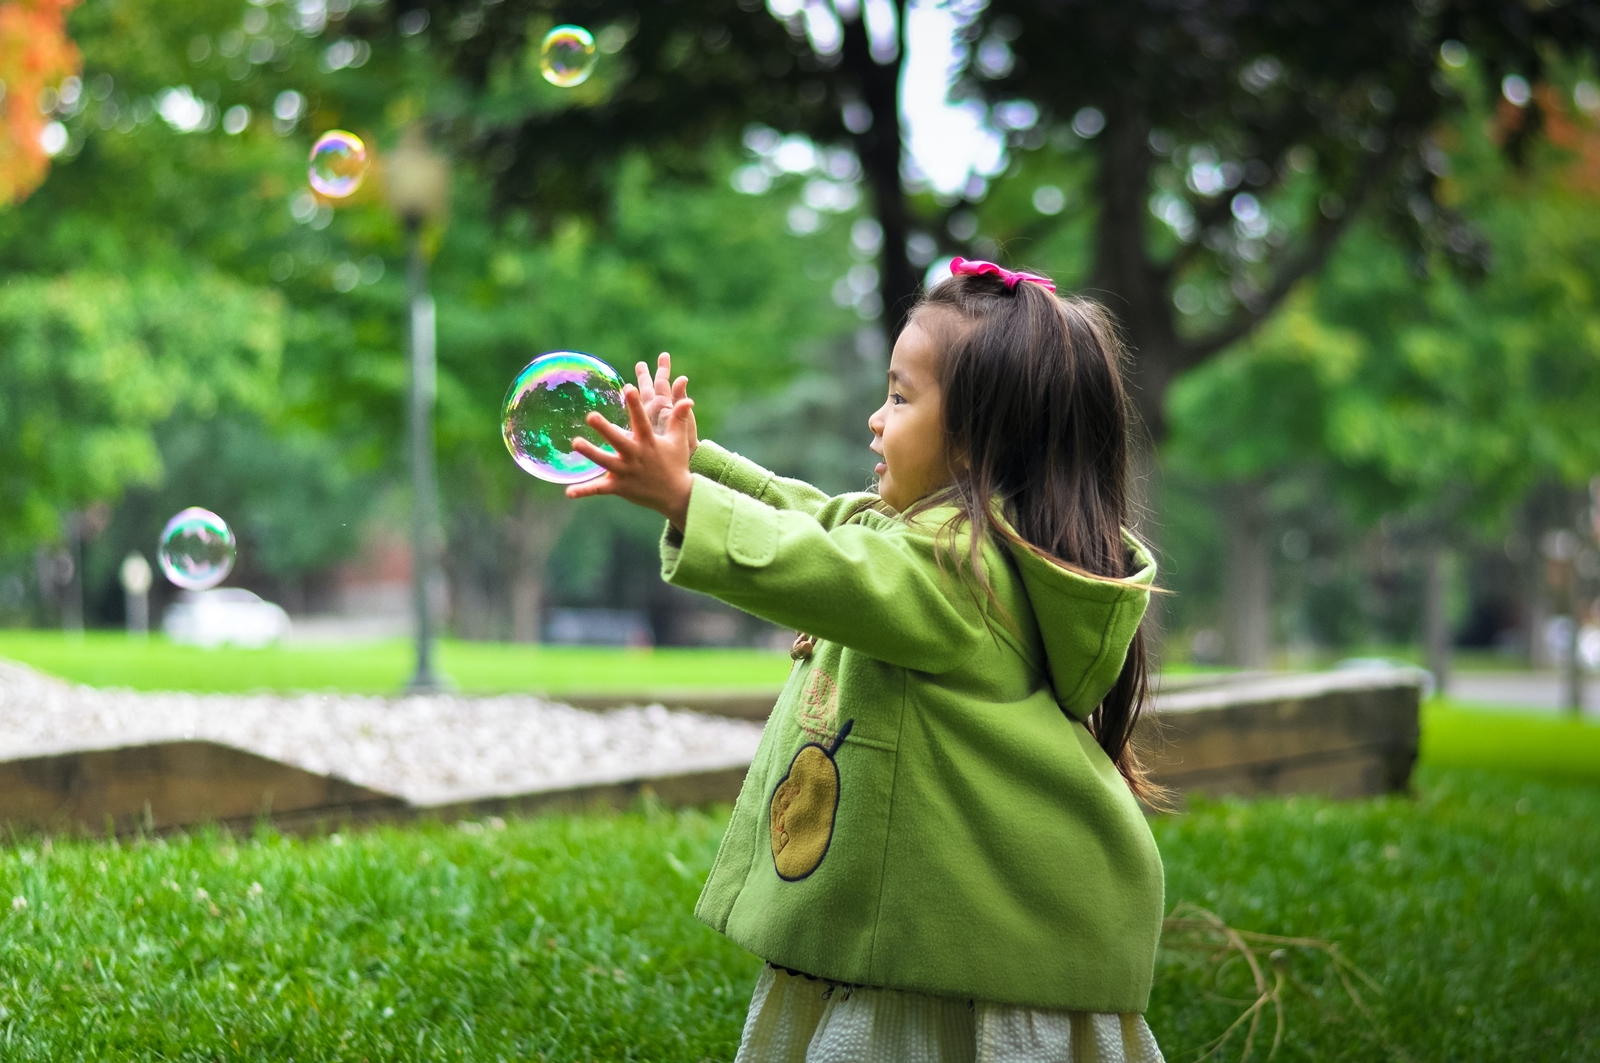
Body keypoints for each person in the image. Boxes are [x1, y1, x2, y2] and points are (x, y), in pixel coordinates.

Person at [566, 258, 1167, 1063]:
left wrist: (683, 500)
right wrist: (696, 463)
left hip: (952, 969)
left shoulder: (960, 573)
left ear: (974, 442)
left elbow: (822, 566)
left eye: (900, 395)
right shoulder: (931, 540)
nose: (875, 421)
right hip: (928, 941)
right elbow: (812, 515)